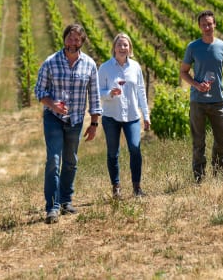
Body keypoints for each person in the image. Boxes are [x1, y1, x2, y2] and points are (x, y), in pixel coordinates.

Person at [34, 24, 102, 224]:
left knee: (71, 161)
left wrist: (94, 123)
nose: (73, 42)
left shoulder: (89, 64)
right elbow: (39, 91)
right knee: (54, 160)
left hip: (76, 119)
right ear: (64, 39)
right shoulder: (51, 62)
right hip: (53, 118)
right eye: (70, 38)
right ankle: (52, 207)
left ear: (82, 42)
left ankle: (66, 201)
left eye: (77, 39)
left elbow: (95, 96)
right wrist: (53, 104)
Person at [180, 10, 223, 183]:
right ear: (199, 27)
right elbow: (183, 72)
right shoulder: (193, 47)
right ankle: (199, 178)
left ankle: (218, 174)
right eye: (203, 24)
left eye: (209, 24)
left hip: (218, 101)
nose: (207, 27)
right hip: (198, 101)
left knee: (221, 140)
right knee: (199, 143)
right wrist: (197, 85)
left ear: (215, 25)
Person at [98, 33, 151, 199]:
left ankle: (137, 188)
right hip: (111, 116)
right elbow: (99, 92)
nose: (123, 48)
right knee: (113, 153)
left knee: (135, 150)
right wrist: (110, 93)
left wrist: (146, 115)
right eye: (120, 45)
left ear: (130, 48)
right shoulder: (105, 68)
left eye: (126, 45)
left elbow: (141, 92)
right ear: (114, 47)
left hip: (133, 115)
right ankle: (116, 188)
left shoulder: (135, 67)